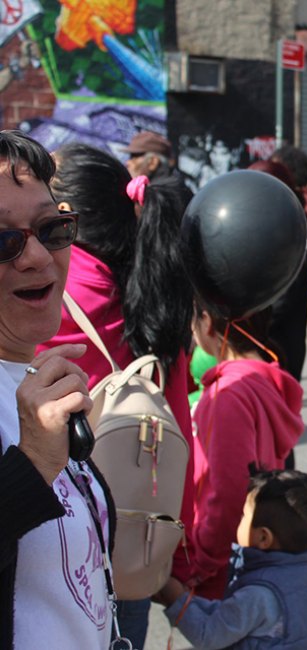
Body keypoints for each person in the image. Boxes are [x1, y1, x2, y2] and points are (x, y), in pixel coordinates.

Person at [43, 143, 195, 649]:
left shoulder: (47, 287)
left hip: (49, 527)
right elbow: (180, 425)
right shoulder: (151, 285)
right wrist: (175, 541)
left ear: (63, 217)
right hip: (130, 526)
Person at [0, 130, 112, 648]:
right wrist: (32, 466)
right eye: (3, 241)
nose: (39, 258)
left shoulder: (34, 373)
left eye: (51, 228)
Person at [182, 305, 304, 599]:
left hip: (225, 563)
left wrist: (202, 561)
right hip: (256, 548)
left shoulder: (227, 393)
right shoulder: (266, 377)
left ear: (207, 321)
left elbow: (228, 491)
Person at [157, 470, 307, 649]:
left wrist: (175, 599)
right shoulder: (305, 568)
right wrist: (188, 602)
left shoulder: (259, 593)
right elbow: (228, 615)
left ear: (263, 538)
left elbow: (208, 635)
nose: (239, 520)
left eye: (244, 515)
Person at [248, 159, 307, 382]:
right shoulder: (280, 228)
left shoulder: (290, 234)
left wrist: (247, 322)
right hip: (277, 349)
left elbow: (282, 300)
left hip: (278, 352)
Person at [122, 130, 193, 203]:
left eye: (134, 157)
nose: (128, 163)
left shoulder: (157, 196)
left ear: (153, 162)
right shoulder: (178, 189)